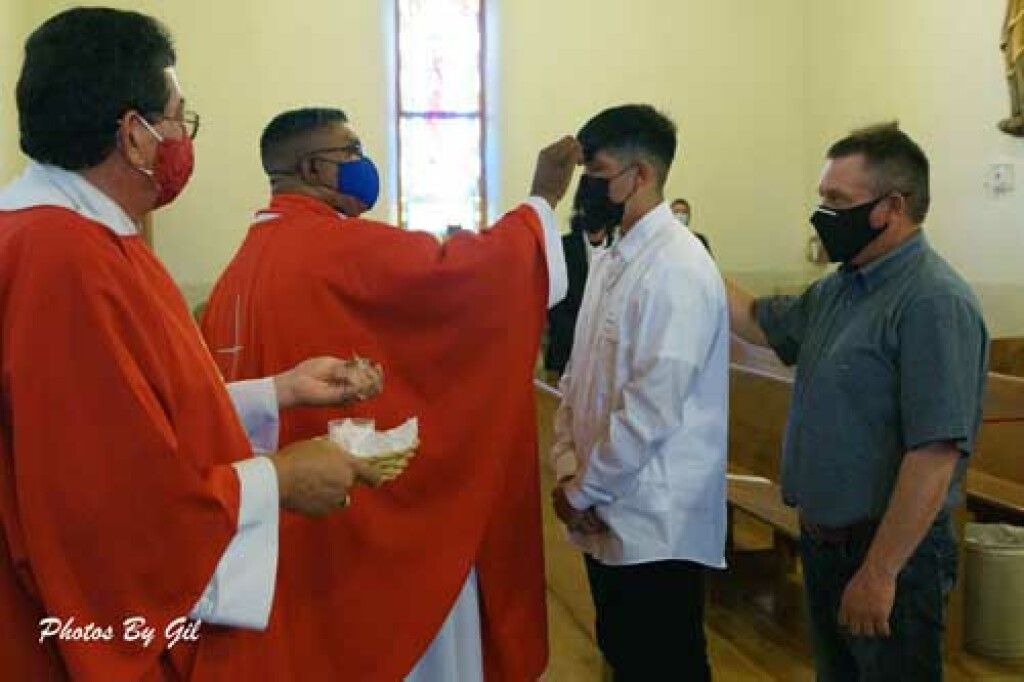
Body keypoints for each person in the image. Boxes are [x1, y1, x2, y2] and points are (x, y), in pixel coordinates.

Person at [0, 8, 385, 681]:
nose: (183, 137)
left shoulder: (87, 234)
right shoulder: (60, 259)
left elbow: (130, 417)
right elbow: (109, 515)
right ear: (134, 136)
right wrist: (279, 480)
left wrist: (277, 392)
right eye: (179, 118)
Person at [199, 107, 576, 680]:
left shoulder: (238, 272)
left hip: (284, 540)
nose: (362, 163)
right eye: (351, 152)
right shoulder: (337, 247)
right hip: (364, 545)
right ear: (313, 167)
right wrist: (539, 203)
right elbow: (467, 279)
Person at [725, 122, 989, 681]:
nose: (821, 214)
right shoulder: (840, 287)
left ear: (890, 207)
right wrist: (687, 258)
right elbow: (756, 324)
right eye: (822, 198)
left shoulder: (932, 301)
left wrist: (880, 572)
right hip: (826, 544)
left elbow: (934, 454)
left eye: (836, 201)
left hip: (892, 554)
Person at [549, 104, 729, 681]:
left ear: (641, 175)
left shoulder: (678, 266)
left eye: (597, 171)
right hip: (603, 500)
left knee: (665, 663)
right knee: (623, 653)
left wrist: (585, 488)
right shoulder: (610, 258)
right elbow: (578, 377)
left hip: (655, 519)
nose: (588, 187)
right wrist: (567, 465)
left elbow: (650, 410)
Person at [544, 179, 616, 377]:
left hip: (608, 361)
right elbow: (555, 305)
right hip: (567, 356)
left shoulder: (621, 249)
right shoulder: (562, 248)